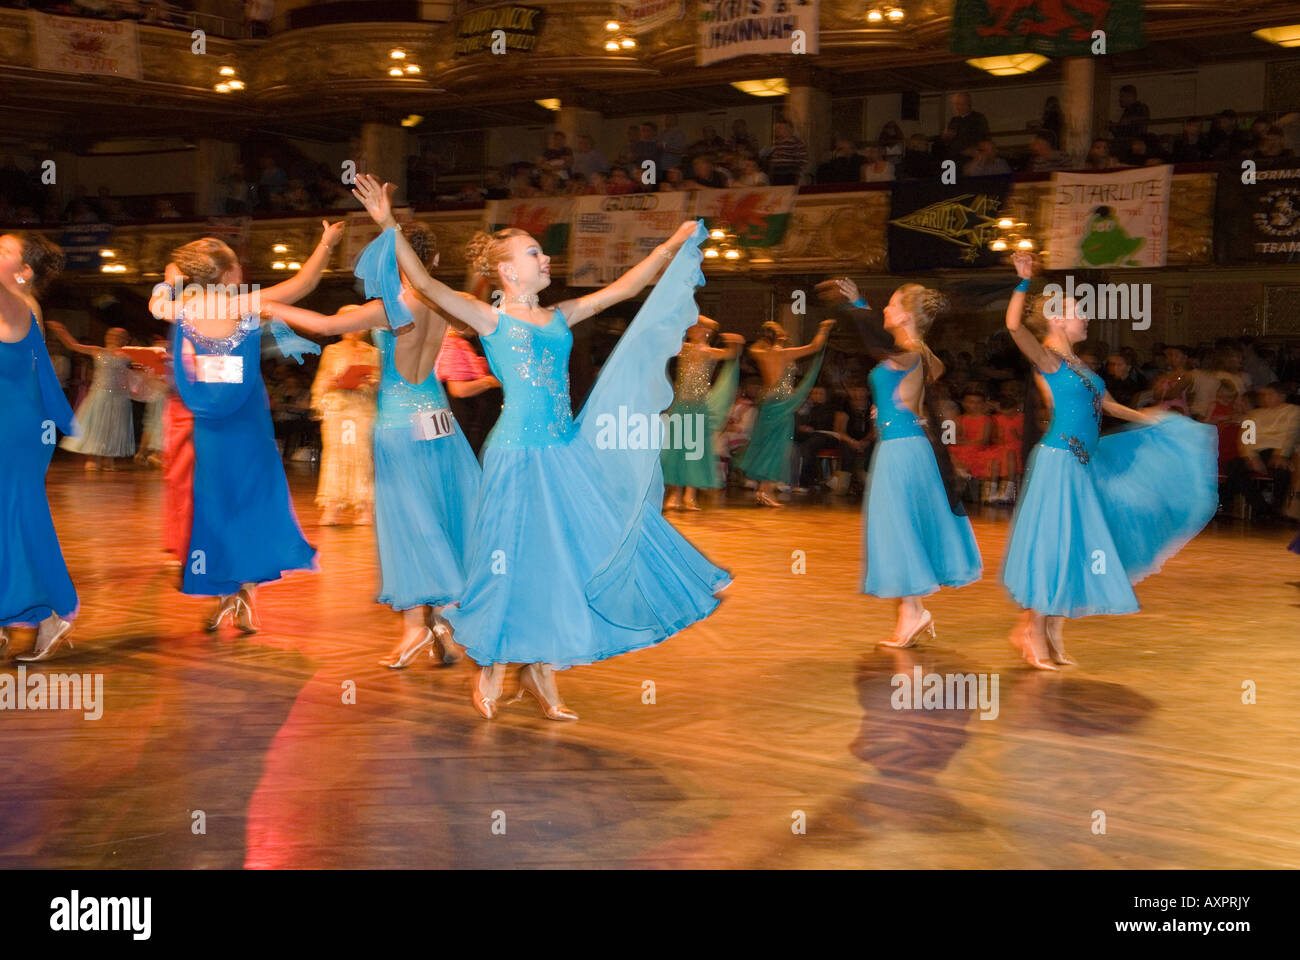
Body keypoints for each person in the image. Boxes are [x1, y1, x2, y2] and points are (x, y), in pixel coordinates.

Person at [350, 173, 729, 720]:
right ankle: (494, 667)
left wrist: (670, 245)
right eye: (534, 252)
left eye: (543, 252)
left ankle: (539, 673)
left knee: (559, 563)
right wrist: (388, 224)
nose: (545, 258)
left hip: (563, 454)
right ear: (507, 270)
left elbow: (623, 290)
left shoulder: (559, 316)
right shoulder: (490, 317)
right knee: (508, 563)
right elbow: (428, 287)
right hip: (515, 456)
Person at [263, 222, 483, 668]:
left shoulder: (390, 309)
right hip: (438, 421)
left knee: (408, 524)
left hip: (400, 425)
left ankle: (414, 629)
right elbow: (479, 323)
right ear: (435, 262)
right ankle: (443, 617)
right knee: (441, 515)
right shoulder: (448, 303)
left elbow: (325, 325)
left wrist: (269, 303)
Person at [1000, 251, 1217, 669]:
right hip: (1059, 462)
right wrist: (1023, 279)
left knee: (1078, 545)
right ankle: (1032, 630)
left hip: (1084, 462)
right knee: (1056, 544)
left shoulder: (1080, 363)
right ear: (1057, 319)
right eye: (1077, 311)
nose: (1084, 318)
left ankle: (1051, 630)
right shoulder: (1049, 357)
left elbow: (1109, 406)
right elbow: (1012, 325)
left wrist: (1152, 421)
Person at [147, 220, 343, 631]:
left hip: (210, 424)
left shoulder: (182, 306)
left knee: (216, 508)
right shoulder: (242, 302)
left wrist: (172, 281)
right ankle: (245, 595)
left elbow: (158, 300)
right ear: (228, 274)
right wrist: (326, 243)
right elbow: (303, 285)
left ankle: (229, 596)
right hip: (246, 422)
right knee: (252, 505)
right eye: (235, 264)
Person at [833, 278, 981, 646]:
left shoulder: (910, 352)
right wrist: (891, 405)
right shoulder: (917, 353)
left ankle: (912, 611)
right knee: (900, 527)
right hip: (901, 445)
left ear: (906, 315)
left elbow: (883, 350)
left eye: (891, 304)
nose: (885, 308)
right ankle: (911, 610)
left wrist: (858, 306)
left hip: (903, 450)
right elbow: (937, 369)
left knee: (896, 527)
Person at [0, 232, 77, 662]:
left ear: (24, 271)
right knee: (10, 521)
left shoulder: (18, 305)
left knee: (18, 519)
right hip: (14, 424)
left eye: (3, 251)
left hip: (14, 428)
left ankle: (48, 614)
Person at [739, 317, 835, 506]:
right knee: (775, 447)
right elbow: (815, 346)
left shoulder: (760, 352)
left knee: (766, 444)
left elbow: (752, 348)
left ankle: (761, 490)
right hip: (781, 404)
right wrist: (824, 329)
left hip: (767, 402)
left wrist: (767, 335)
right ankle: (766, 491)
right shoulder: (784, 354)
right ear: (780, 336)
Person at [661, 317, 743, 511]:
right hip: (680, 405)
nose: (691, 329)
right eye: (691, 326)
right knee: (677, 451)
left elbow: (732, 353)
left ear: (706, 331)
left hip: (699, 406)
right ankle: (675, 494)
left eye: (696, 327)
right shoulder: (684, 348)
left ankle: (690, 495)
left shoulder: (711, 352)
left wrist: (735, 341)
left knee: (694, 452)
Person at [310, 329, 378, 525]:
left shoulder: (373, 352)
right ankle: (332, 508)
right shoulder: (332, 351)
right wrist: (330, 386)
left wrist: (372, 382)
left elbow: (378, 379)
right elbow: (322, 380)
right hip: (337, 408)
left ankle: (365, 508)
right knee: (335, 456)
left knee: (363, 456)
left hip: (363, 408)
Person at [48, 324, 135, 470]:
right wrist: (60, 331)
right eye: (112, 335)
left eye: (119, 336)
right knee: (96, 426)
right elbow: (73, 345)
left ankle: (108, 458)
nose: (114, 338)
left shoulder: (128, 354)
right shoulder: (98, 351)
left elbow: (145, 362)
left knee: (114, 427)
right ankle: (92, 457)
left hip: (120, 396)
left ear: (125, 340)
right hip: (100, 394)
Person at [940, 92, 989, 161]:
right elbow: (948, 140)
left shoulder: (978, 118)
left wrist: (974, 149)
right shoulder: (954, 120)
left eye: (963, 104)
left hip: (972, 156)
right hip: (956, 156)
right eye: (958, 104)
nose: (960, 107)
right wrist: (947, 136)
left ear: (969, 104)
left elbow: (983, 136)